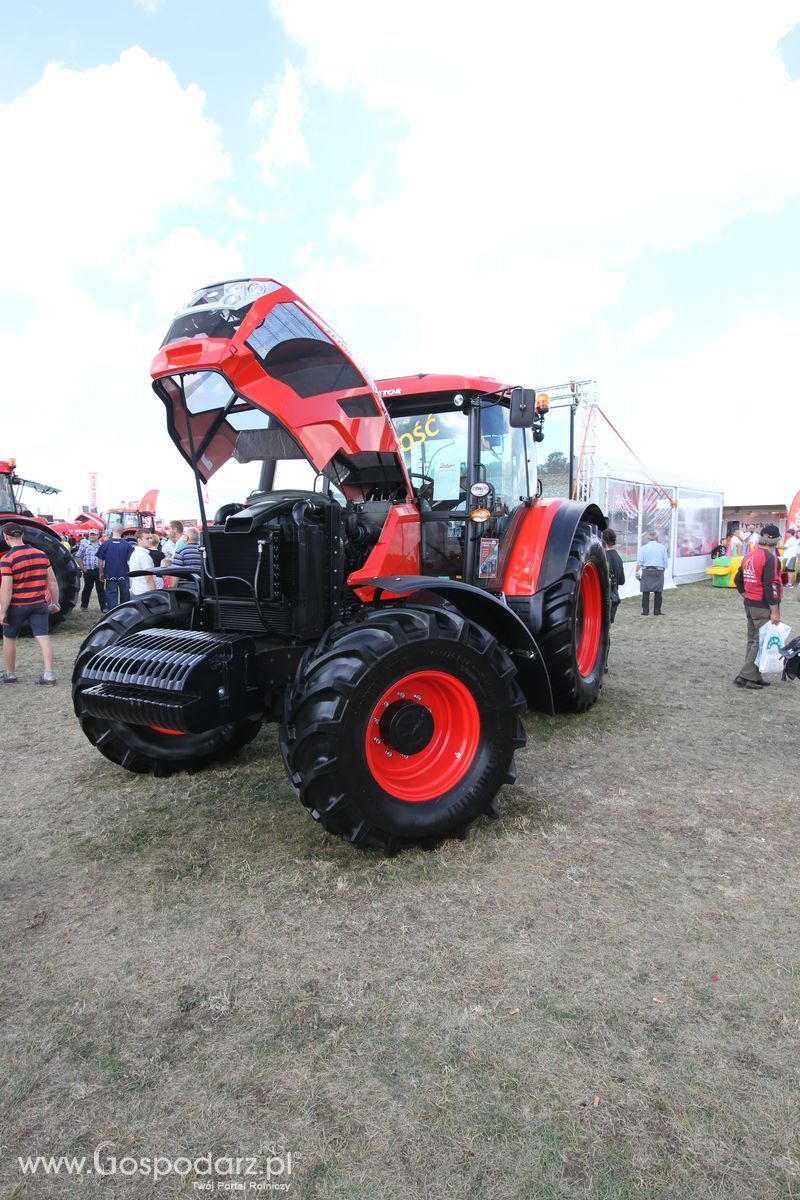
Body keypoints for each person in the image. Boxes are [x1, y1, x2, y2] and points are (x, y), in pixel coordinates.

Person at [0, 523, 60, 684]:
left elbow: (6, 589)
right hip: (39, 604)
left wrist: (2, 611)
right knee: (43, 637)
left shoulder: (7, 559)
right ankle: (49, 674)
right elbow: (52, 581)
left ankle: (10, 674)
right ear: (22, 535)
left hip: (16, 606)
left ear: (6, 537)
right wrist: (55, 602)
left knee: (9, 637)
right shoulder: (41, 554)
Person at [733, 523, 783, 690]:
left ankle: (754, 675)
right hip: (762, 605)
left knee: (753, 640)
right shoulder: (770, 559)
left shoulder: (749, 556)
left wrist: (746, 594)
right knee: (761, 641)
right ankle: (745, 676)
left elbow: (737, 580)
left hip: (750, 603)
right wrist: (775, 611)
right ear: (775, 541)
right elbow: (770, 585)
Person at [97, 523, 134, 609]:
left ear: (112, 530)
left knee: (111, 595)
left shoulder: (105, 544)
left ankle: (112, 613)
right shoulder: (127, 545)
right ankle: (124, 613)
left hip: (110, 574)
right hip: (124, 574)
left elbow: (100, 560)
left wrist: (101, 572)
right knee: (125, 595)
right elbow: (130, 560)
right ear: (122, 531)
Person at [635, 531, 669, 616]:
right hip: (659, 571)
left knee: (645, 591)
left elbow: (640, 562)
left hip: (646, 571)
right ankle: (657, 611)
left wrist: (636, 572)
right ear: (657, 538)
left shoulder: (643, 548)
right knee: (658, 592)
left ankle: (645, 611)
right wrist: (662, 570)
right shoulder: (662, 547)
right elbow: (665, 562)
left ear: (648, 539)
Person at [75, 529, 106, 611]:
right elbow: (78, 556)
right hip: (88, 571)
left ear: (98, 535)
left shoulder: (102, 545)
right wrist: (82, 568)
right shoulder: (84, 545)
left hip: (99, 571)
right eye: (91, 534)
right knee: (87, 588)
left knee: (101, 589)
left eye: (94, 534)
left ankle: (103, 607)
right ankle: (84, 606)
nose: (92, 536)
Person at [602, 528, 626, 624]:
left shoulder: (603, 557)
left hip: (604, 598)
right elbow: (622, 581)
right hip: (614, 597)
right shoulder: (618, 558)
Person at [171, 527, 204, 591]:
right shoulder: (204, 551)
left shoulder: (180, 551)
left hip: (186, 588)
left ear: (186, 537)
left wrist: (171, 589)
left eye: (184, 535)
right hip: (203, 586)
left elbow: (175, 572)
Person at [128, 529, 157, 596]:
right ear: (139, 540)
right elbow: (148, 578)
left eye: (151, 538)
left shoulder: (135, 553)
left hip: (137, 591)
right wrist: (154, 593)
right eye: (147, 538)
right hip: (145, 592)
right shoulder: (143, 555)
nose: (150, 540)